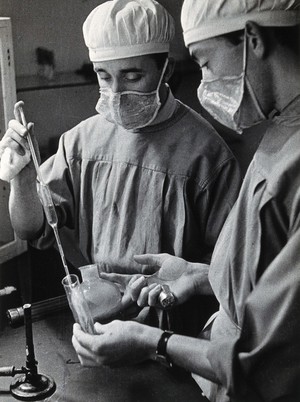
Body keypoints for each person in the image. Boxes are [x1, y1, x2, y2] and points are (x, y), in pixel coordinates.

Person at [72, 0, 300, 401]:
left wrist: (150, 340)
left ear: (253, 39)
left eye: (205, 63)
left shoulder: (283, 159)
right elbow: (261, 275)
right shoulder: (280, 132)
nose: (206, 82)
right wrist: (197, 275)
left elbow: (264, 359)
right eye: (104, 77)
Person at [0, 0, 240, 333]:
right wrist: (23, 179)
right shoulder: (81, 142)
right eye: (104, 76)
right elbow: (31, 228)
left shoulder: (207, 154)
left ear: (166, 70)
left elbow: (231, 276)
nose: (116, 94)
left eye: (132, 76)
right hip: (97, 318)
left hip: (174, 331)